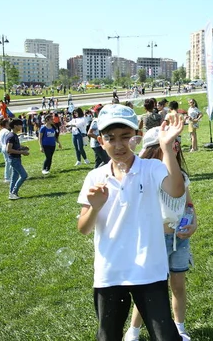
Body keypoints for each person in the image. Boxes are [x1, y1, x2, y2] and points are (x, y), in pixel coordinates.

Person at [77, 104, 184, 341]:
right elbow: (84, 228)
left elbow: (176, 191)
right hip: (110, 271)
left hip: (149, 269)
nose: (118, 145)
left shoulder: (151, 168)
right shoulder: (95, 177)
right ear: (100, 141)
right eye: (110, 138)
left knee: (165, 335)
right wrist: (95, 206)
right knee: (108, 335)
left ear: (136, 137)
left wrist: (167, 149)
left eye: (125, 137)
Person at [126, 127, 197, 341]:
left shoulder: (181, 177)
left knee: (178, 285)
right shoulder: (147, 178)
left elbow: (189, 204)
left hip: (180, 240)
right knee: (150, 289)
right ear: (153, 149)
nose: (174, 147)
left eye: (176, 143)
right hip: (155, 241)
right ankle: (133, 331)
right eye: (167, 144)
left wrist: (194, 223)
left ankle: (180, 327)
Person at [6, 119, 30, 199]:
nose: (21, 126)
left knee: (15, 176)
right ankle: (14, 192)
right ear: (15, 126)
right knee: (24, 175)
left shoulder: (15, 135)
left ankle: (11, 193)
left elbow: (15, 147)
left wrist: (23, 147)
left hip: (16, 159)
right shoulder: (11, 136)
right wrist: (22, 152)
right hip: (14, 159)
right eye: (20, 125)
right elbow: (8, 149)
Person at [87, 104, 110, 168]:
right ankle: (96, 173)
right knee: (107, 161)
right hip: (97, 145)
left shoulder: (104, 120)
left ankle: (95, 172)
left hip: (100, 144)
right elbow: (89, 133)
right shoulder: (96, 121)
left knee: (98, 161)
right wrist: (98, 138)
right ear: (98, 112)